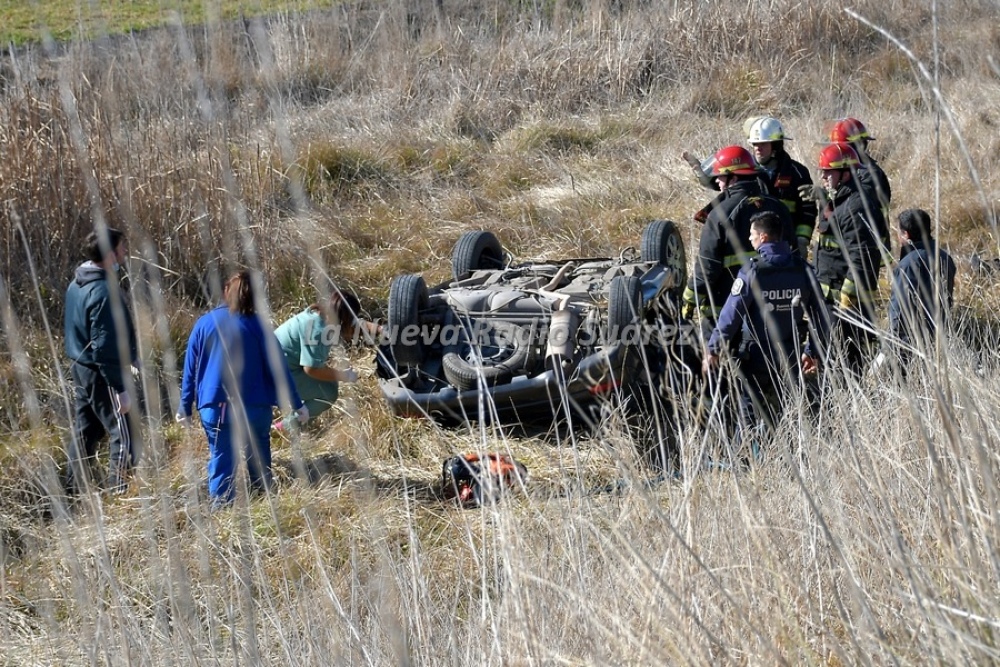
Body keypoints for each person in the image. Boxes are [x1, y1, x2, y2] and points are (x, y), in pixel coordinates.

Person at [177, 270, 308, 506]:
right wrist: (297, 404)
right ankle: (266, 503)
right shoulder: (261, 328)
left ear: (227, 291)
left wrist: (184, 407)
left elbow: (190, 371)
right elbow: (280, 372)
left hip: (216, 408)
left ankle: (222, 509)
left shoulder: (204, 324)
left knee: (222, 459)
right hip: (256, 409)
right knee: (259, 457)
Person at [703, 211, 830, 439]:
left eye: (752, 234)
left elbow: (730, 316)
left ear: (763, 237)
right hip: (790, 354)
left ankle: (751, 463)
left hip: (756, 356)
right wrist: (812, 351)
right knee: (789, 411)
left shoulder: (752, 271)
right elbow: (820, 316)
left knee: (750, 413)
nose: (749, 239)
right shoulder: (803, 269)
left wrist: (713, 348)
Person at [681, 145, 795, 339]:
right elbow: (792, 255)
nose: (717, 181)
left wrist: (689, 298)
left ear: (733, 177)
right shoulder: (778, 207)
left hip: (725, 307)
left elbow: (708, 266)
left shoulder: (719, 214)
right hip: (773, 308)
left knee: (721, 363)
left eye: (720, 176)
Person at [63, 227, 139, 496]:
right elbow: (103, 347)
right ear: (110, 254)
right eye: (121, 248)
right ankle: (121, 493)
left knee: (86, 431)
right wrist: (119, 388)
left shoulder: (77, 283)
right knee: (124, 432)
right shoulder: (103, 292)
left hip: (81, 369)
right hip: (102, 372)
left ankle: (72, 492)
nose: (125, 252)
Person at [809, 143, 887, 373]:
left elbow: (861, 257)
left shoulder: (856, 205)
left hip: (845, 302)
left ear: (846, 173)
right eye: (822, 171)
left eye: (828, 172)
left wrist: (847, 300)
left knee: (845, 358)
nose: (823, 176)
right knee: (835, 355)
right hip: (832, 296)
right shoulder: (843, 199)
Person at [272, 289, 365, 432]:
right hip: (274, 374)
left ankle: (295, 419)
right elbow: (311, 369)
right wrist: (343, 375)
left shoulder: (316, 314)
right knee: (327, 393)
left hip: (272, 364)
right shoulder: (319, 331)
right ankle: (285, 428)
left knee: (328, 382)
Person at [886, 208, 956, 364]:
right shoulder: (945, 257)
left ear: (906, 235)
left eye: (899, 231)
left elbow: (899, 309)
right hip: (940, 338)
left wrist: (890, 345)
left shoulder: (908, 265)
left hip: (908, 345)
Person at [745, 116, 818, 258]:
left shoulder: (798, 173)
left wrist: (802, 240)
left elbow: (808, 210)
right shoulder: (746, 173)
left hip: (788, 247)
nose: (757, 149)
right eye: (755, 144)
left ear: (776, 146)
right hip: (754, 246)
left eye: (763, 144)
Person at [827, 117, 892, 259]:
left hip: (868, 246)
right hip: (844, 248)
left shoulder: (871, 174)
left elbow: (859, 200)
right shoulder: (842, 170)